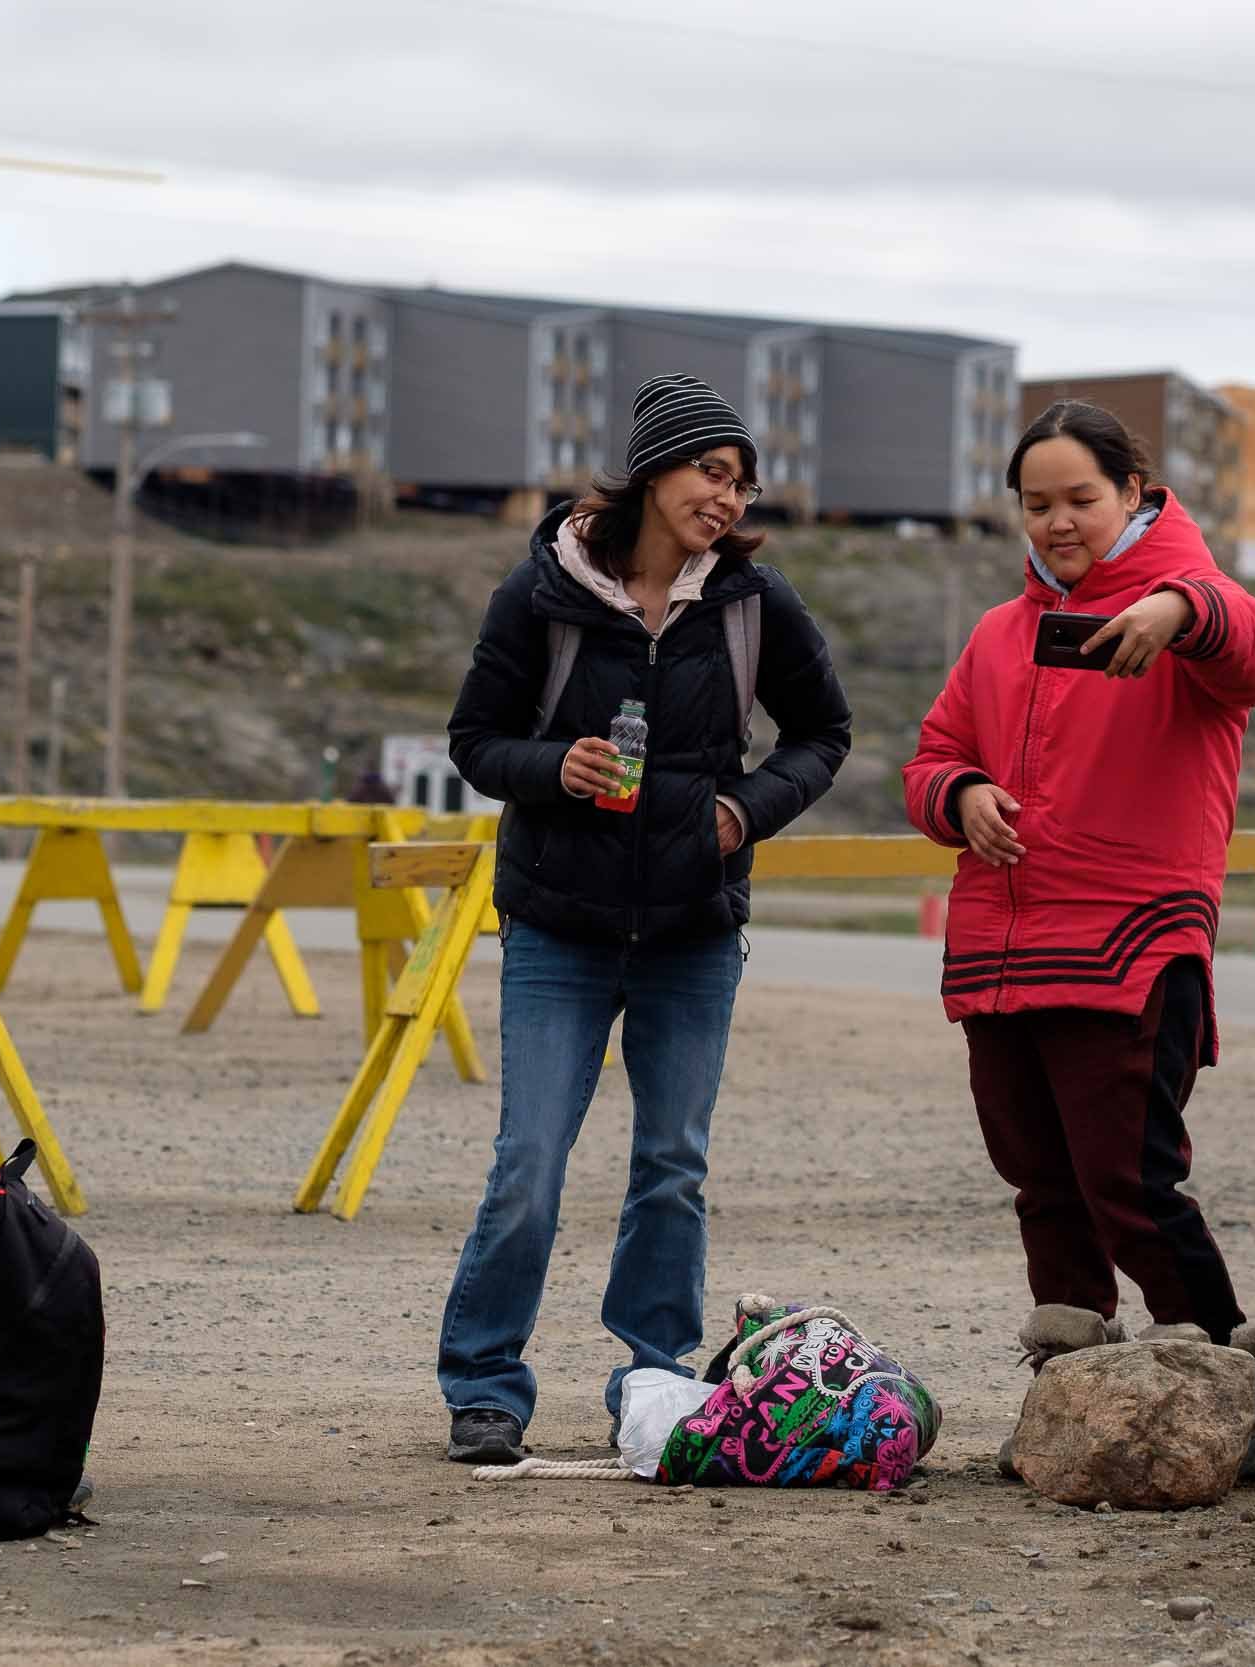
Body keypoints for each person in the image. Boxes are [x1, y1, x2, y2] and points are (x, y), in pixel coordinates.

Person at [437, 373, 853, 1464]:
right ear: (654, 471)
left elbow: (823, 732)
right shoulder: (544, 593)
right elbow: (474, 741)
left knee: (670, 1160)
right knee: (528, 1159)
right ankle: (484, 1383)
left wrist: (742, 809)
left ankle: (655, 1375)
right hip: (558, 928)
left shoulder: (755, 603)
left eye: (742, 481)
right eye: (710, 471)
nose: (726, 496)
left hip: (691, 931)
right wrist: (553, 765)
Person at [901, 400, 1255, 1480]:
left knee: (1129, 1177)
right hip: (1001, 947)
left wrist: (1177, 604)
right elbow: (929, 755)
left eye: (1082, 498)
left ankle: (1235, 1388)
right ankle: (1073, 1387)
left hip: (1131, 940)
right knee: (1039, 1176)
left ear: (1134, 492)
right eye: (1038, 504)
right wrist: (963, 791)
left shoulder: (1192, 612)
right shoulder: (996, 632)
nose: (1059, 522)